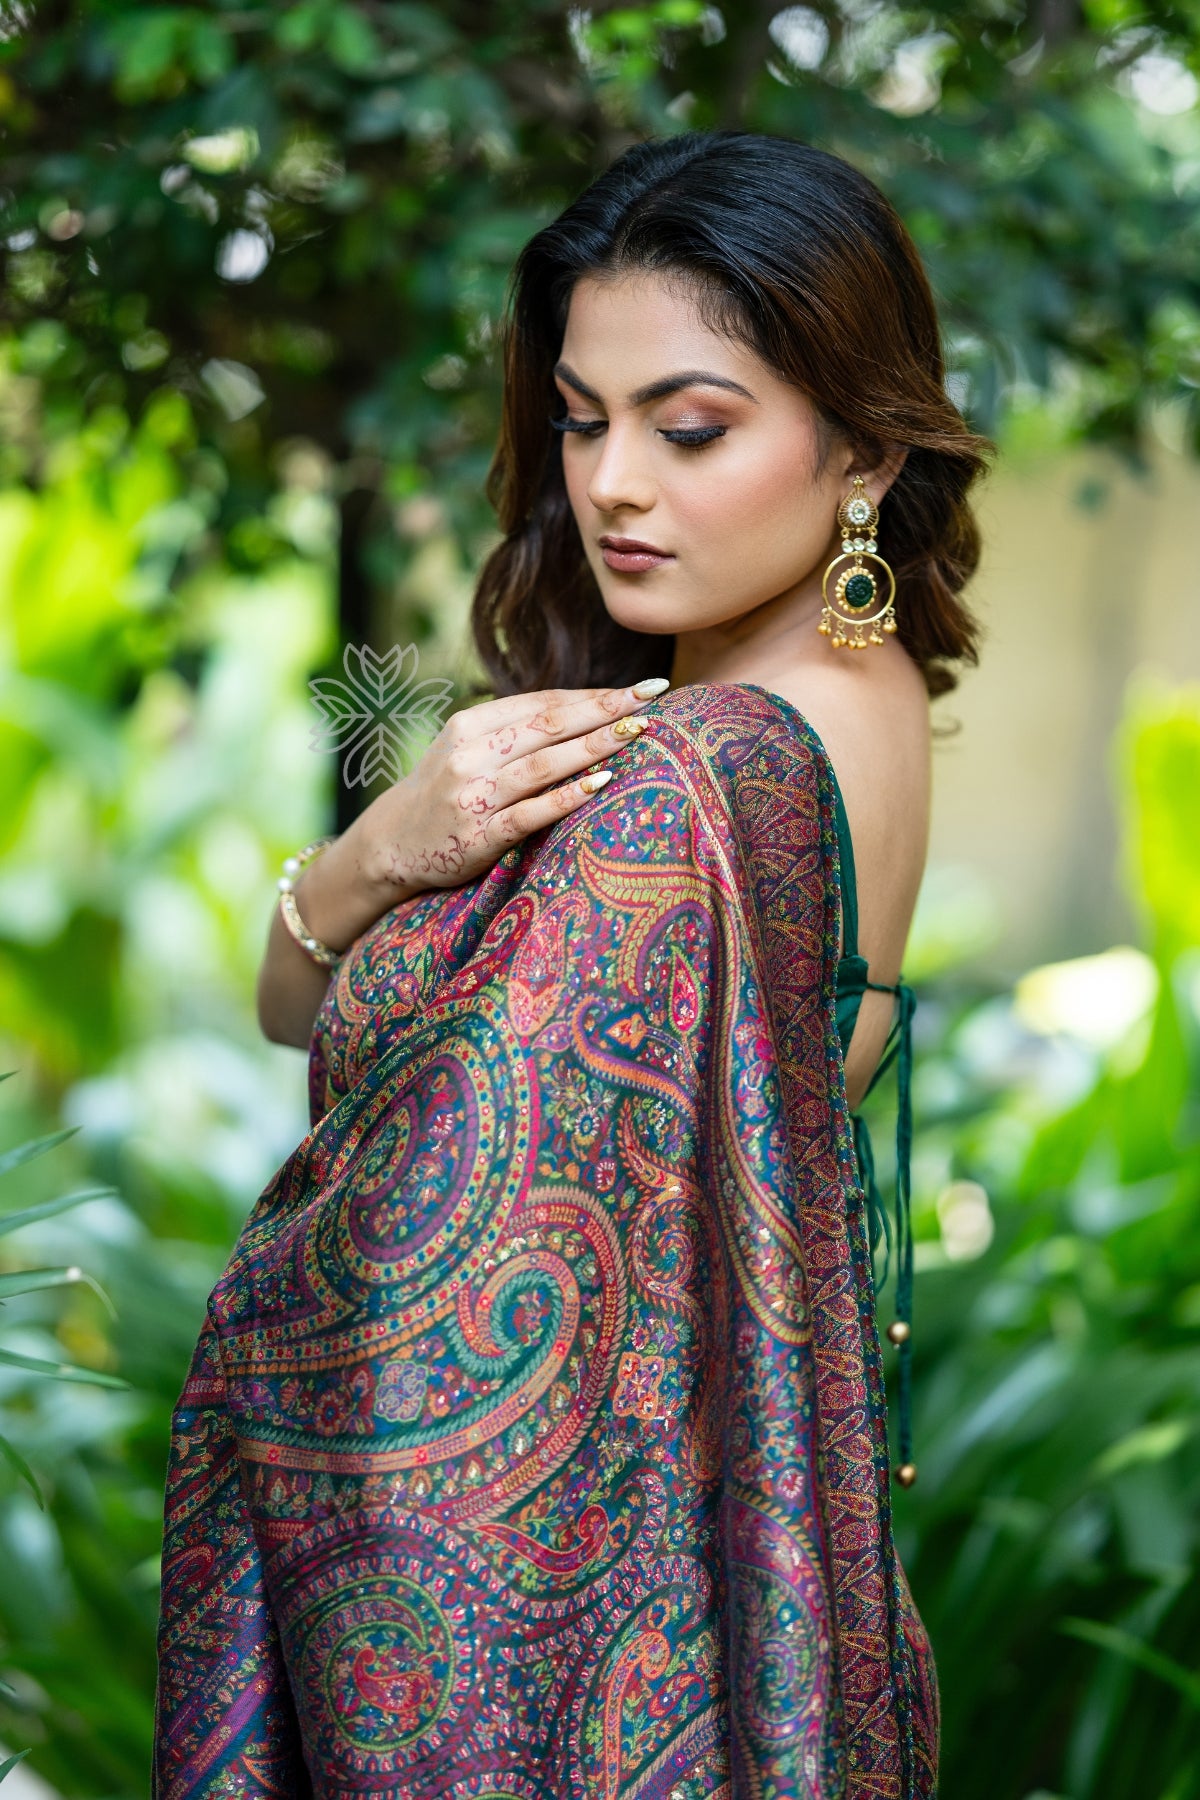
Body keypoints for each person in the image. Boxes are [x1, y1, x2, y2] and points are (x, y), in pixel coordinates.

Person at [154, 129, 989, 1799]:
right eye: (583, 418)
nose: (610, 483)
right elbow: (295, 999)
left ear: (865, 456)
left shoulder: (691, 785)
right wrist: (388, 850)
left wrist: (374, 865)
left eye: (690, 428)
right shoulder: (845, 695)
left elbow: (426, 1311)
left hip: (530, 1640)